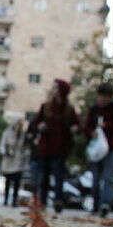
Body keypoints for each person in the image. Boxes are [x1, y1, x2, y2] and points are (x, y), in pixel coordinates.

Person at [32, 79, 79, 213]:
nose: (52, 90)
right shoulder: (45, 107)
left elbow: (76, 124)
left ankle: (58, 200)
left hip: (61, 147)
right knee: (44, 176)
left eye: (55, 88)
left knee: (59, 176)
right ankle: (43, 201)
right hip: (45, 147)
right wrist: (39, 126)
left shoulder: (69, 109)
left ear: (61, 91)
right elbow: (35, 123)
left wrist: (75, 128)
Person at [82, 82, 113, 216]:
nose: (102, 99)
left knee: (108, 176)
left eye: (106, 97)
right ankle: (95, 204)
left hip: (110, 148)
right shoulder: (94, 110)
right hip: (96, 150)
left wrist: (107, 126)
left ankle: (105, 204)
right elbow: (86, 127)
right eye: (101, 96)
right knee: (95, 177)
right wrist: (91, 133)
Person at [0, 116, 29, 206]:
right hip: (9, 160)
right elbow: (2, 145)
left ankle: (14, 200)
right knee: (8, 181)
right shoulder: (7, 133)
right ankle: (5, 200)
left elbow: (25, 147)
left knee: (17, 181)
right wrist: (5, 152)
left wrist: (25, 154)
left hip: (18, 161)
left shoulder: (23, 135)